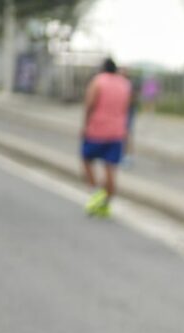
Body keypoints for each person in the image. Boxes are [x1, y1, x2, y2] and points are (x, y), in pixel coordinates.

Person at [80, 58, 131, 217]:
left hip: (97, 129)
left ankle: (96, 192)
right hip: (117, 131)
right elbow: (127, 108)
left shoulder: (98, 81)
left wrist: (85, 125)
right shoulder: (125, 84)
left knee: (86, 159)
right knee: (111, 168)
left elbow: (89, 105)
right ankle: (106, 202)